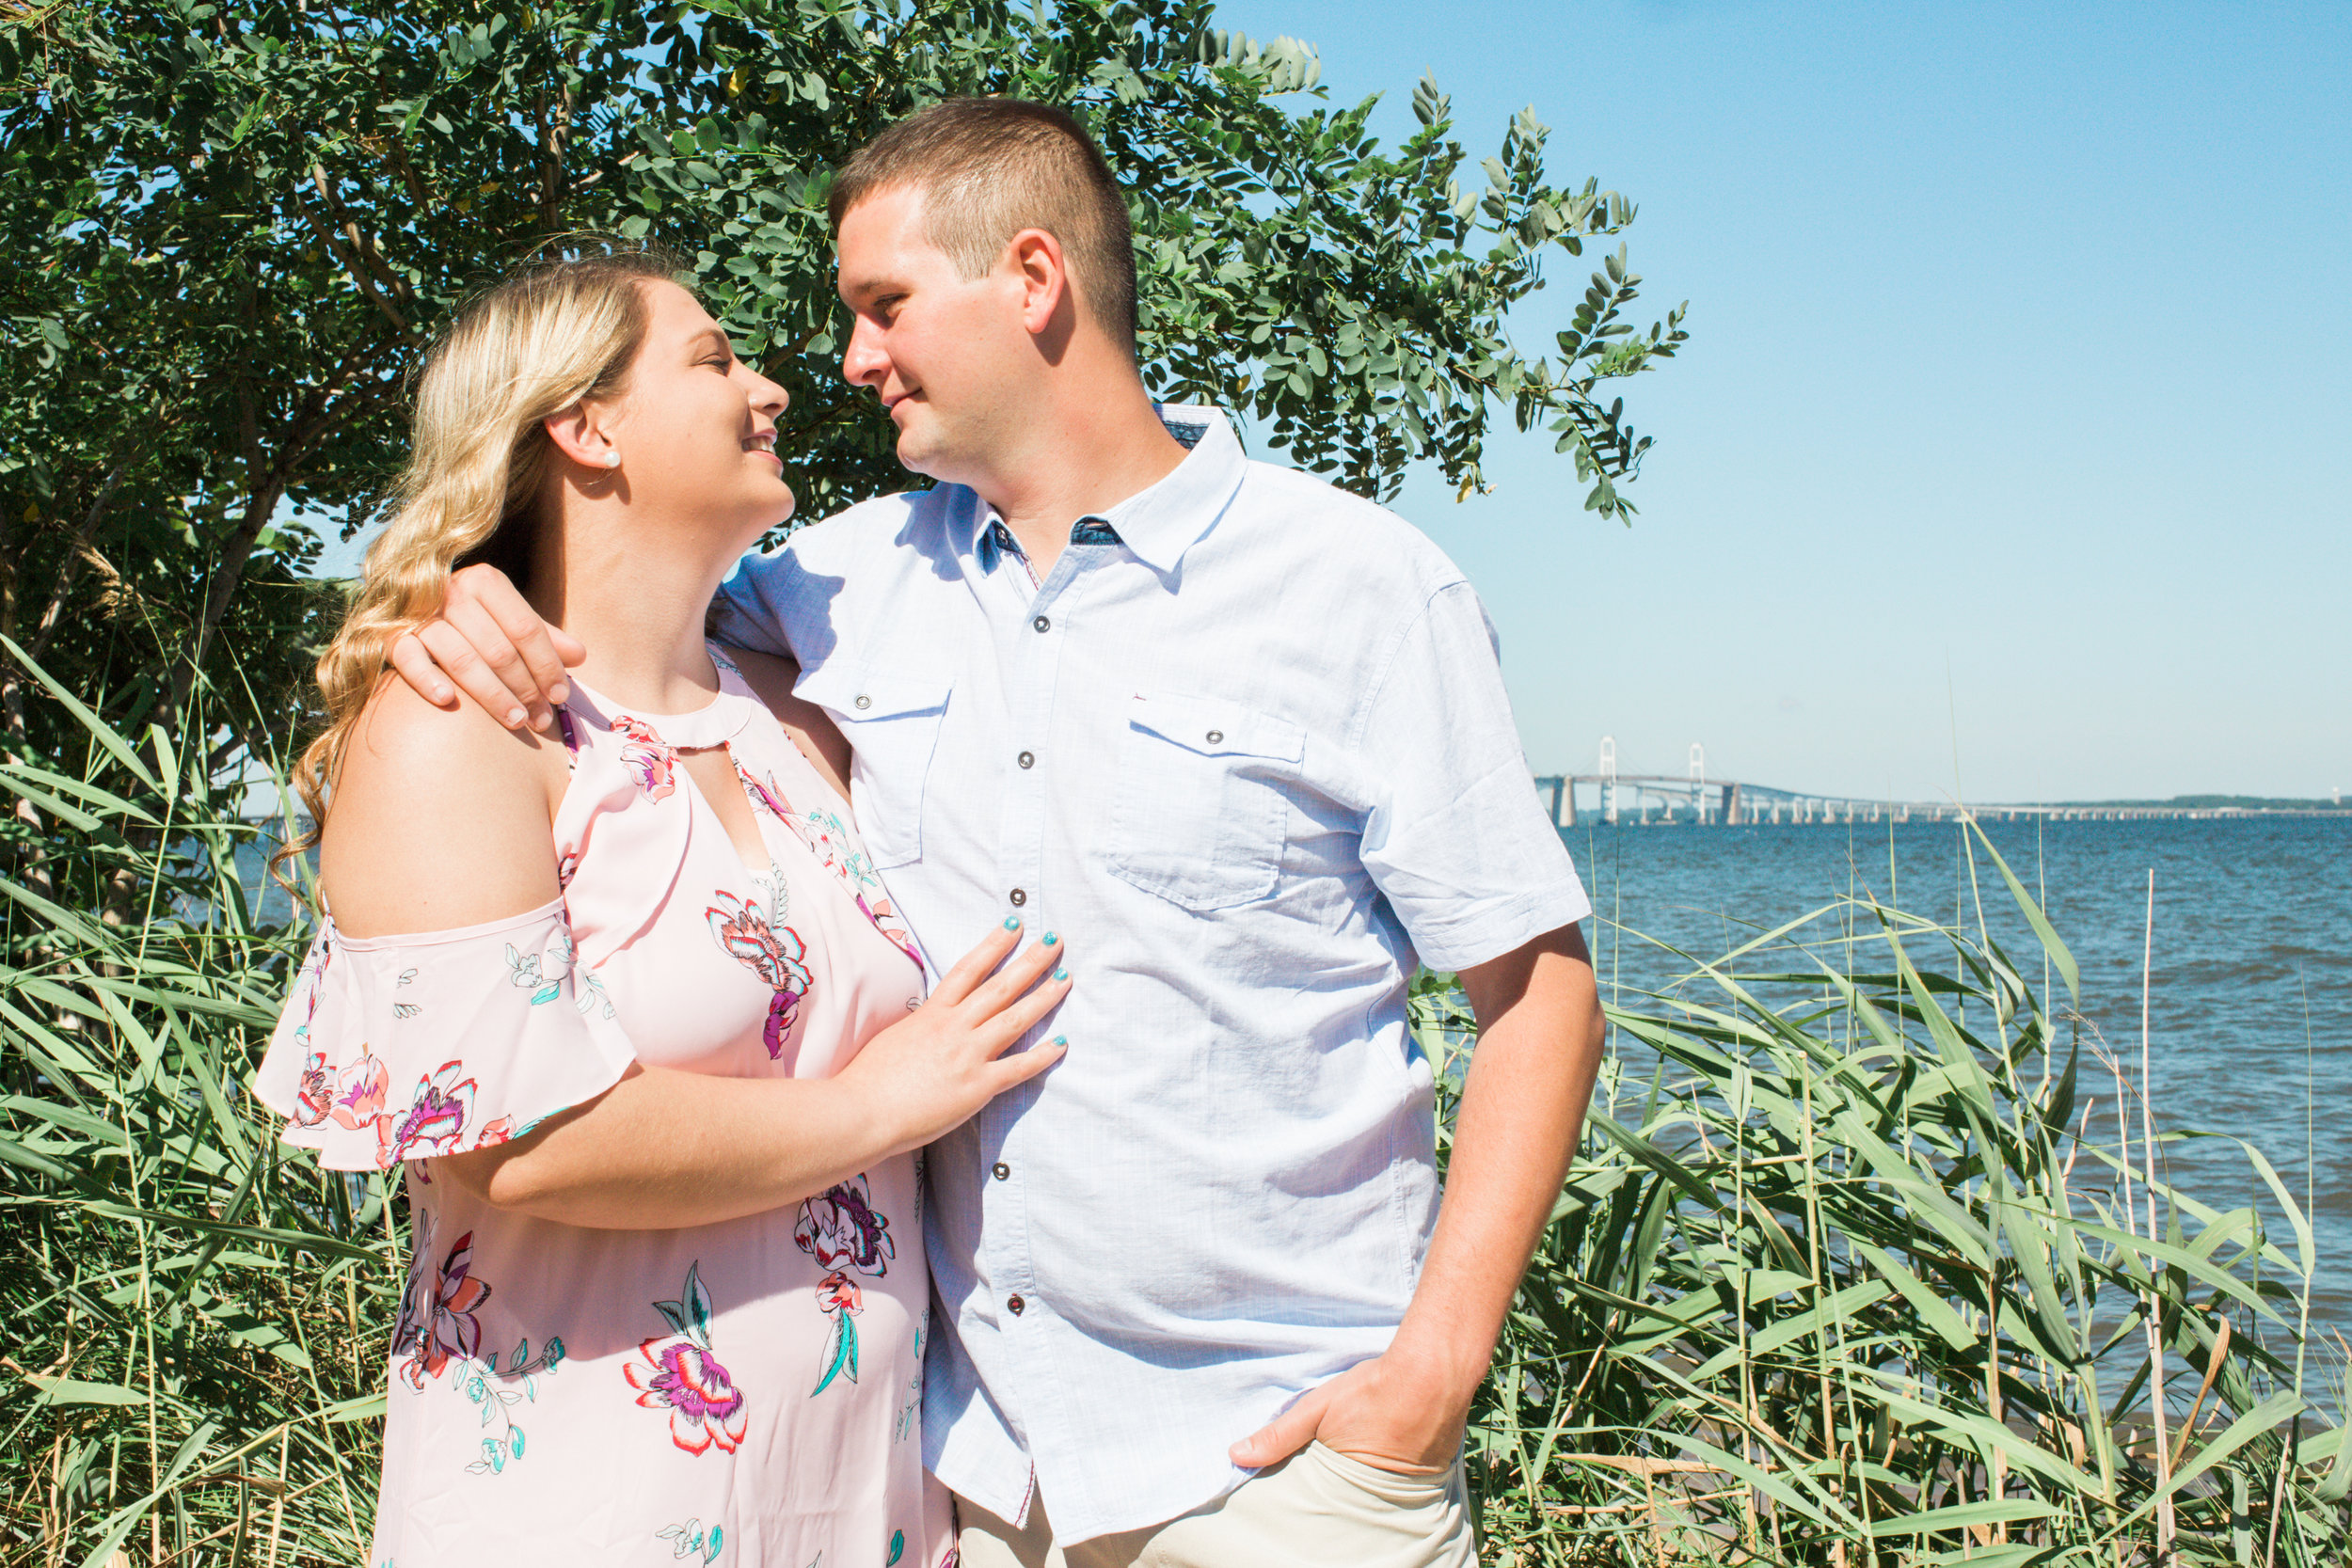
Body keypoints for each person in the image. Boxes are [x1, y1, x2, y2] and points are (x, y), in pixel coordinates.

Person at [391, 99, 1609, 1568]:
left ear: (1032, 281)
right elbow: (615, 614)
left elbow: (1538, 996)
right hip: (973, 1478)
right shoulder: (823, 594)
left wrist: (1433, 1376)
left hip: (1282, 1470)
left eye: (883, 305)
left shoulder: (1359, 588)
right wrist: (468, 595)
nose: (849, 360)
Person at [252, 249, 1074, 1566]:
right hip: (583, 1509)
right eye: (714, 360)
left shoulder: (802, 711)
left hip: (862, 1510)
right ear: (583, 427)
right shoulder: (457, 730)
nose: (773, 391)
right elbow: (505, 1143)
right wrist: (880, 1104)